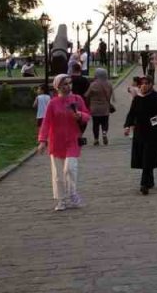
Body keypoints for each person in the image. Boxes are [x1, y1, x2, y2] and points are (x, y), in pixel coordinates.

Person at [37, 74, 89, 211]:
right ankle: (61, 199)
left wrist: (81, 115)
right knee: (58, 174)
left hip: (73, 140)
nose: (68, 86)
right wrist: (42, 141)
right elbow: (46, 123)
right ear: (57, 87)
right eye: (65, 84)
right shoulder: (53, 103)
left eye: (69, 83)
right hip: (56, 142)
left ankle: (73, 194)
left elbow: (87, 115)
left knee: (70, 169)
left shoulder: (77, 99)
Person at [123, 74, 157, 194]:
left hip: (153, 133)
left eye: (147, 83)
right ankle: (149, 180)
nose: (144, 86)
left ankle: (144, 184)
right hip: (140, 132)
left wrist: (156, 122)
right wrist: (127, 126)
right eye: (142, 84)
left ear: (151, 85)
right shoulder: (137, 98)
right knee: (143, 157)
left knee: (148, 156)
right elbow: (132, 113)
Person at [84, 67, 115, 146]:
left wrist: (88, 104)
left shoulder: (93, 84)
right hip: (105, 108)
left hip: (95, 108)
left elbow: (87, 95)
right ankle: (104, 132)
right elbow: (110, 95)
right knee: (105, 122)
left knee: (95, 124)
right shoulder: (109, 84)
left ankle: (96, 139)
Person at [69, 62, 92, 145]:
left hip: (70, 102)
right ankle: (79, 135)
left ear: (72, 70)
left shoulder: (69, 80)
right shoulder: (84, 80)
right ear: (80, 70)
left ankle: (74, 135)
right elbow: (88, 93)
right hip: (82, 102)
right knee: (83, 120)